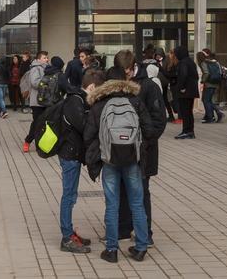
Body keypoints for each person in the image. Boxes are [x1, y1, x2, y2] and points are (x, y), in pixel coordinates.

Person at [83, 64, 156, 262]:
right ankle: (141, 247)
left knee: (112, 205)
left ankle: (112, 250)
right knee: (137, 204)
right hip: (133, 160)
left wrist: (99, 149)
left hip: (109, 161)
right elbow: (150, 130)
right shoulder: (135, 101)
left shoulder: (99, 104)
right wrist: (139, 147)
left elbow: (88, 135)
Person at [113, 51, 167, 251]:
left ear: (133, 66)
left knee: (142, 191)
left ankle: (146, 233)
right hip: (120, 148)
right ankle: (123, 229)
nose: (125, 75)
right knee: (122, 189)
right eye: (122, 72)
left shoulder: (149, 86)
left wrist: (145, 142)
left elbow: (159, 119)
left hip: (144, 149)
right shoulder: (117, 82)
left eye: (127, 71)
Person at [52, 60, 92, 255]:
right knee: (69, 195)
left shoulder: (74, 96)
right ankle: (67, 237)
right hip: (70, 154)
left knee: (71, 194)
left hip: (71, 153)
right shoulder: (75, 99)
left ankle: (69, 233)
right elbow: (83, 126)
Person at [21, 50, 51, 151]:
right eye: (44, 58)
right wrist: (47, 83)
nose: (46, 59)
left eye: (47, 58)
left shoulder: (47, 68)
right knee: (37, 123)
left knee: (44, 123)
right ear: (38, 60)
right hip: (37, 101)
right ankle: (28, 141)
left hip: (45, 101)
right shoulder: (36, 69)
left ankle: (40, 144)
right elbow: (34, 82)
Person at [172, 44, 199, 138]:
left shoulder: (183, 63)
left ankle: (186, 131)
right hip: (191, 91)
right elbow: (196, 76)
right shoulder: (191, 62)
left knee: (185, 112)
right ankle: (190, 131)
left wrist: (181, 87)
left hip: (185, 91)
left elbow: (183, 75)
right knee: (189, 111)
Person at [197, 48, 222, 124]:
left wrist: (202, 81)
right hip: (216, 83)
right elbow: (220, 72)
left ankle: (213, 116)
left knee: (206, 100)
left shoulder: (204, 63)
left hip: (208, 84)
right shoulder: (215, 62)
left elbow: (206, 73)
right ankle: (211, 116)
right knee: (208, 100)